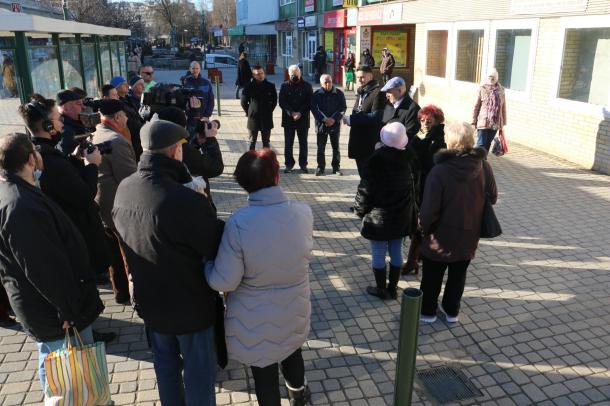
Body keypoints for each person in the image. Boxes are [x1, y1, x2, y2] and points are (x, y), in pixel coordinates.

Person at [113, 120, 224, 406]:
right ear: (176, 151)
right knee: (199, 377)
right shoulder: (186, 199)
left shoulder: (124, 188)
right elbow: (213, 244)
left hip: (152, 305)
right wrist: (204, 202)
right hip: (190, 308)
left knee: (166, 372)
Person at [205, 149, 313, 406]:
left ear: (243, 183)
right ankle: (299, 394)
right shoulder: (302, 211)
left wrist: (207, 266)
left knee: (264, 370)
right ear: (277, 176)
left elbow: (225, 281)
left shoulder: (239, 222)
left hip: (254, 315)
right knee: (292, 349)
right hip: (295, 304)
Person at [0, 132, 105, 391]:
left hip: (48, 308)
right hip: (55, 313)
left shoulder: (16, 191)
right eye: (35, 151)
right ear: (30, 160)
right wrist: (67, 309)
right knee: (70, 385)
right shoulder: (20, 205)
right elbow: (41, 267)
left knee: (62, 376)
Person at [419, 122, 498, 323]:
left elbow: (429, 209)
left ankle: (428, 312)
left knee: (432, 276)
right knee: (458, 275)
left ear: (451, 141)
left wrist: (422, 228)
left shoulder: (439, 170)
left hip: (440, 236)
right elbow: (493, 196)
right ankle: (451, 311)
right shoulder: (484, 166)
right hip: (468, 234)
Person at [354, 122, 419, 300]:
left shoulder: (375, 161)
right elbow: (413, 189)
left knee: (378, 253)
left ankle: (381, 289)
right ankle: (393, 288)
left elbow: (365, 191)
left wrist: (360, 210)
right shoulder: (409, 160)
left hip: (379, 218)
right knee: (397, 251)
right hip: (401, 216)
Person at [92, 99, 138, 304]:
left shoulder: (96, 133)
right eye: (125, 115)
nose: (127, 118)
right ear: (118, 117)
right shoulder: (116, 141)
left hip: (103, 204)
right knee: (128, 253)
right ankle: (135, 293)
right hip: (119, 207)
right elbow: (129, 179)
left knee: (114, 253)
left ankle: (120, 292)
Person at [404, 105, 447, 275]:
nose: (425, 124)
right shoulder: (421, 134)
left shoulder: (439, 139)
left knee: (422, 225)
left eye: (429, 121)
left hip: (429, 186)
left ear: (436, 121)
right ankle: (417, 257)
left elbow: (429, 160)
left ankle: (413, 260)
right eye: (422, 120)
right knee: (419, 224)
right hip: (418, 185)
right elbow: (411, 151)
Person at [156, 106, 224, 200]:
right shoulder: (181, 151)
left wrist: (196, 143)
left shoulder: (154, 145)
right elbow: (216, 167)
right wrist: (210, 139)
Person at [342, 65, 386, 180]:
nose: (360, 80)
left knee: (369, 177)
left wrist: (352, 119)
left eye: (362, 77)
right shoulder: (361, 92)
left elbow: (376, 117)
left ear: (370, 76)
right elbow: (358, 112)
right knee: (363, 177)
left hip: (369, 143)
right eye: (358, 78)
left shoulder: (378, 93)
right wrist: (349, 120)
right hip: (358, 143)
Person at [279, 64, 313, 174]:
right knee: (288, 143)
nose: (294, 76)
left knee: (303, 143)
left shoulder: (307, 86)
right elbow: (282, 102)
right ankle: (289, 164)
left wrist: (300, 112)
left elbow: (309, 102)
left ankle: (303, 164)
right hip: (288, 120)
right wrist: (291, 113)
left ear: (300, 73)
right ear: (289, 75)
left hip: (302, 119)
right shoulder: (284, 86)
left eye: (296, 74)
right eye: (292, 74)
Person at [311, 74, 346, 176]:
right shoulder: (316, 94)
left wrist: (334, 119)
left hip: (335, 125)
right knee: (320, 148)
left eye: (329, 81)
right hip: (321, 125)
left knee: (336, 147)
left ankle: (336, 168)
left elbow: (343, 108)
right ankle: (320, 167)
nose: (328, 84)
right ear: (321, 84)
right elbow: (314, 109)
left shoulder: (339, 93)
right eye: (325, 82)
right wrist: (325, 119)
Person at [241, 65, 277, 150]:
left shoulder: (270, 86)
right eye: (258, 74)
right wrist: (249, 111)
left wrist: (269, 110)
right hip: (253, 117)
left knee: (266, 142)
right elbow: (243, 102)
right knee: (252, 142)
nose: (260, 75)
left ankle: (266, 161)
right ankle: (250, 161)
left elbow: (274, 101)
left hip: (266, 117)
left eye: (262, 73)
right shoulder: (248, 86)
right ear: (253, 75)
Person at [472, 68, 506, 152]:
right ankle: (477, 161)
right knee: (481, 144)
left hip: (495, 122)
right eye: (489, 77)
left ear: (496, 78)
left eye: (493, 77)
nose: (491, 79)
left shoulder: (501, 90)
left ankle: (483, 161)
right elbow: (476, 106)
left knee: (488, 143)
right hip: (483, 121)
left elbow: (503, 108)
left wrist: (503, 123)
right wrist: (473, 121)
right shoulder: (482, 89)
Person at [110, 75, 144, 160]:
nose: (126, 85)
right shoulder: (117, 103)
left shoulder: (128, 98)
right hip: (131, 138)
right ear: (116, 88)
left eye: (126, 83)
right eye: (123, 84)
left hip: (139, 135)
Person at [381, 76, 421, 146]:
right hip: (382, 144)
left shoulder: (413, 109)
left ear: (399, 90)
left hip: (397, 151)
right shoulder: (388, 104)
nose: (386, 95)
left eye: (389, 91)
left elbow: (409, 136)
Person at [183, 61, 215, 135]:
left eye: (197, 68)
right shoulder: (186, 83)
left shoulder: (206, 83)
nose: (195, 70)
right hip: (190, 118)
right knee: (190, 139)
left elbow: (211, 101)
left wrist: (207, 115)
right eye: (193, 68)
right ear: (190, 69)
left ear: (200, 69)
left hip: (203, 117)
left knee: (203, 139)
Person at [57, 89, 87, 155]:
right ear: (65, 108)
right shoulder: (66, 132)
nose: (83, 107)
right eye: (79, 104)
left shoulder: (75, 123)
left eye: (82, 103)